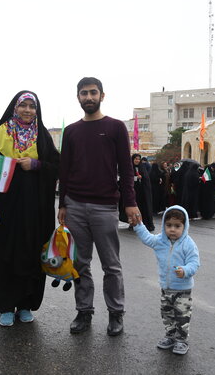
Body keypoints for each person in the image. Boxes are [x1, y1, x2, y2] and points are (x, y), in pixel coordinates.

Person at [58, 77, 139, 337]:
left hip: (105, 207)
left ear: (102, 96)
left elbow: (126, 170)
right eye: (84, 93)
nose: (89, 97)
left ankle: (116, 314)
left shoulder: (115, 127)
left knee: (111, 266)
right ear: (78, 97)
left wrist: (130, 203)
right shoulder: (70, 131)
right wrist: (62, 204)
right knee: (80, 264)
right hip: (75, 206)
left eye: (93, 92)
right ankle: (84, 312)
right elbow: (65, 170)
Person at [0, 90, 59, 327]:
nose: (28, 110)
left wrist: (35, 164)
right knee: (6, 252)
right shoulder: (2, 132)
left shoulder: (42, 136)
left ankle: (25, 304)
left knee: (31, 252)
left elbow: (57, 165)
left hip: (36, 208)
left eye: (32, 106)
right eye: (23, 105)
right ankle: (6, 305)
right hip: (6, 206)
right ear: (15, 107)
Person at [133, 205, 200, 355]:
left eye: (177, 226)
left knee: (182, 315)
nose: (172, 229)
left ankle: (182, 340)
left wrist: (186, 271)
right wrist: (139, 225)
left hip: (183, 290)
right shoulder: (160, 241)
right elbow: (147, 238)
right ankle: (170, 336)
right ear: (164, 225)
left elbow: (194, 263)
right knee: (167, 314)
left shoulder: (188, 244)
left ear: (185, 226)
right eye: (169, 225)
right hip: (166, 288)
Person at [131, 153, 155, 231]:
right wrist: (135, 178)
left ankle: (145, 224)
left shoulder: (142, 167)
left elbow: (146, 179)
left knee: (144, 207)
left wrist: (142, 177)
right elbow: (128, 178)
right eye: (136, 159)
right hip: (134, 192)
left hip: (143, 192)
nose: (137, 160)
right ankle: (134, 224)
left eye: (138, 159)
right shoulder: (130, 167)